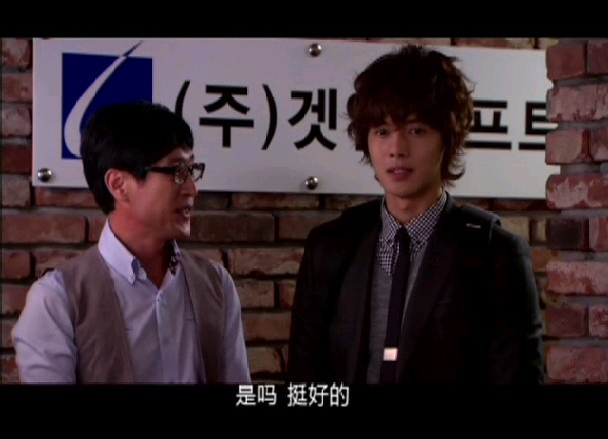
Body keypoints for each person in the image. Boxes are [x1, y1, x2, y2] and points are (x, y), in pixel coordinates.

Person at [287, 45, 544, 384]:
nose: (397, 149)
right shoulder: (330, 247)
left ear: (447, 139)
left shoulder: (495, 254)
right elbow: (304, 380)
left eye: (416, 130)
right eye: (382, 131)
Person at [12, 101, 251, 384]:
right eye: (177, 171)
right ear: (118, 184)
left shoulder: (217, 285)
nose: (192, 188)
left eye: (192, 170)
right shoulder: (56, 300)